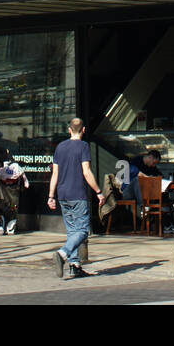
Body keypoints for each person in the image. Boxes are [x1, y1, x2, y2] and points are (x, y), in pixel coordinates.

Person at [47, 117, 103, 279]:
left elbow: (55, 173)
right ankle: (62, 253)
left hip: (63, 194)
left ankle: (75, 265)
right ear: (83, 130)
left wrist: (51, 196)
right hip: (78, 193)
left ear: (69, 130)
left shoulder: (60, 147)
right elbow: (86, 172)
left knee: (72, 231)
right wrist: (98, 191)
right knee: (83, 231)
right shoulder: (83, 146)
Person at [121, 149, 163, 215]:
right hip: (128, 192)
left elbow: (159, 175)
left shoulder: (152, 167)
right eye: (154, 163)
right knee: (138, 179)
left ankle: (154, 214)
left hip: (143, 194)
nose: (154, 165)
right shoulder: (135, 161)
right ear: (150, 157)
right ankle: (144, 206)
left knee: (156, 185)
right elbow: (136, 172)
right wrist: (148, 177)